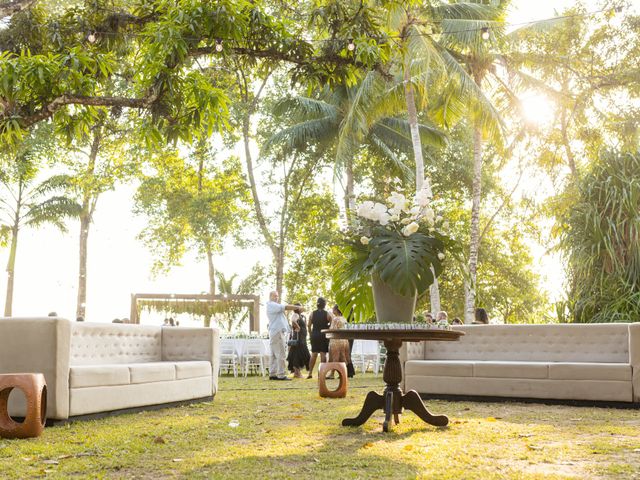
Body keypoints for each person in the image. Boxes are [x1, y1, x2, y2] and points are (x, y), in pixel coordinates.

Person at [266, 290, 303, 381]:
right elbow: (285, 307)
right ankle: (281, 374)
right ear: (270, 296)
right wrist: (297, 306)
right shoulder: (272, 305)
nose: (276, 297)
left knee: (274, 354)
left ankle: (273, 373)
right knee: (281, 353)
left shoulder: (273, 306)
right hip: (277, 332)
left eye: (277, 296)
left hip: (275, 332)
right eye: (274, 296)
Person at [307, 297, 332, 379]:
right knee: (323, 353)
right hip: (323, 335)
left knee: (313, 354)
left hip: (315, 335)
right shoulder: (327, 314)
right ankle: (321, 373)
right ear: (324, 305)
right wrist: (328, 328)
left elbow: (309, 325)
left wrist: (311, 334)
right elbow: (331, 323)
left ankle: (310, 373)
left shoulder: (312, 313)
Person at [286, 304, 311, 378]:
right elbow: (293, 320)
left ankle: (297, 372)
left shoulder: (300, 315)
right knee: (298, 354)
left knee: (299, 354)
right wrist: (298, 327)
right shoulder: (296, 314)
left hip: (302, 338)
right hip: (298, 338)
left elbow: (304, 309)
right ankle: (297, 372)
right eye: (300, 307)